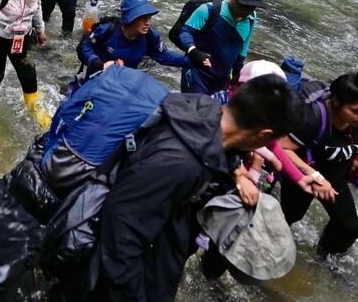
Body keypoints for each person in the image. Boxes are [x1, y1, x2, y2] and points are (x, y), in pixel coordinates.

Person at [89, 75, 297, 301]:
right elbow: (119, 238)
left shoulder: (203, 109)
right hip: (126, 275)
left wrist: (237, 170)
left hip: (162, 242)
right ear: (263, 134)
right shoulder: (179, 163)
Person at [278, 71, 358, 255]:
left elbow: (352, 135)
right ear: (336, 103)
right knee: (287, 219)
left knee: (348, 228)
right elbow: (281, 148)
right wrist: (314, 176)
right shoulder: (312, 118)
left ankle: (324, 259)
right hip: (304, 180)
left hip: (335, 177)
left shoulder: (353, 119)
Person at [177, 0, 261, 95]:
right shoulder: (209, 10)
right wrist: (194, 51)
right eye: (243, 5)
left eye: (252, 7)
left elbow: (244, 44)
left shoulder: (251, 18)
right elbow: (185, 32)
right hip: (197, 73)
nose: (247, 10)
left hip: (222, 79)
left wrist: (237, 70)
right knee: (194, 110)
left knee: (217, 111)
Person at [78, 0, 191, 78]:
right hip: (96, 79)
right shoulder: (107, 29)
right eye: (142, 18)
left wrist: (194, 61)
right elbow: (85, 46)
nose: (148, 22)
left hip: (124, 82)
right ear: (130, 18)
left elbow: (164, 56)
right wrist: (96, 62)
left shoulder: (150, 36)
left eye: (149, 17)